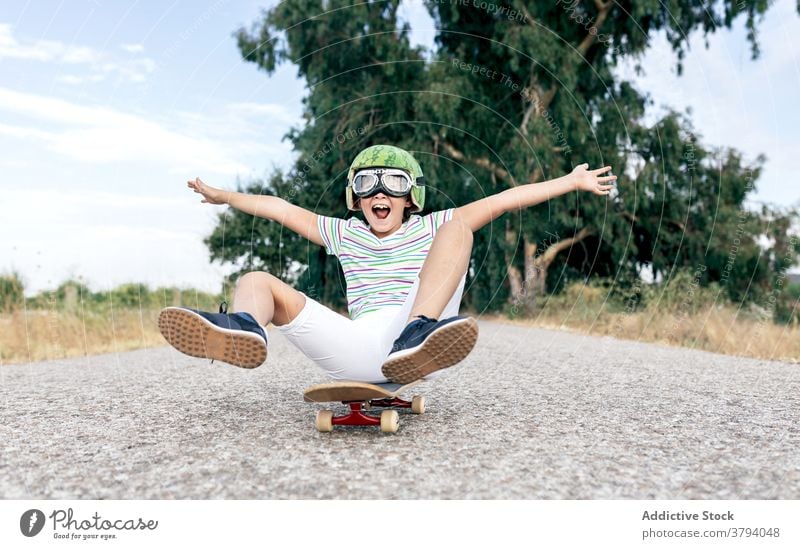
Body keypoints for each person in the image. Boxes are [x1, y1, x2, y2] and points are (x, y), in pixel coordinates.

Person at [158, 144, 616, 384]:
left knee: (459, 228)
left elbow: (505, 199)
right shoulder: (344, 231)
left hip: (410, 334)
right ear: (355, 199)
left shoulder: (432, 225)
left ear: (410, 196)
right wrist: (224, 197)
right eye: (368, 185)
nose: (380, 193)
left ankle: (420, 332)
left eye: (393, 184)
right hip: (353, 349)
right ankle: (243, 327)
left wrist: (570, 182)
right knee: (256, 279)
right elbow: (278, 208)